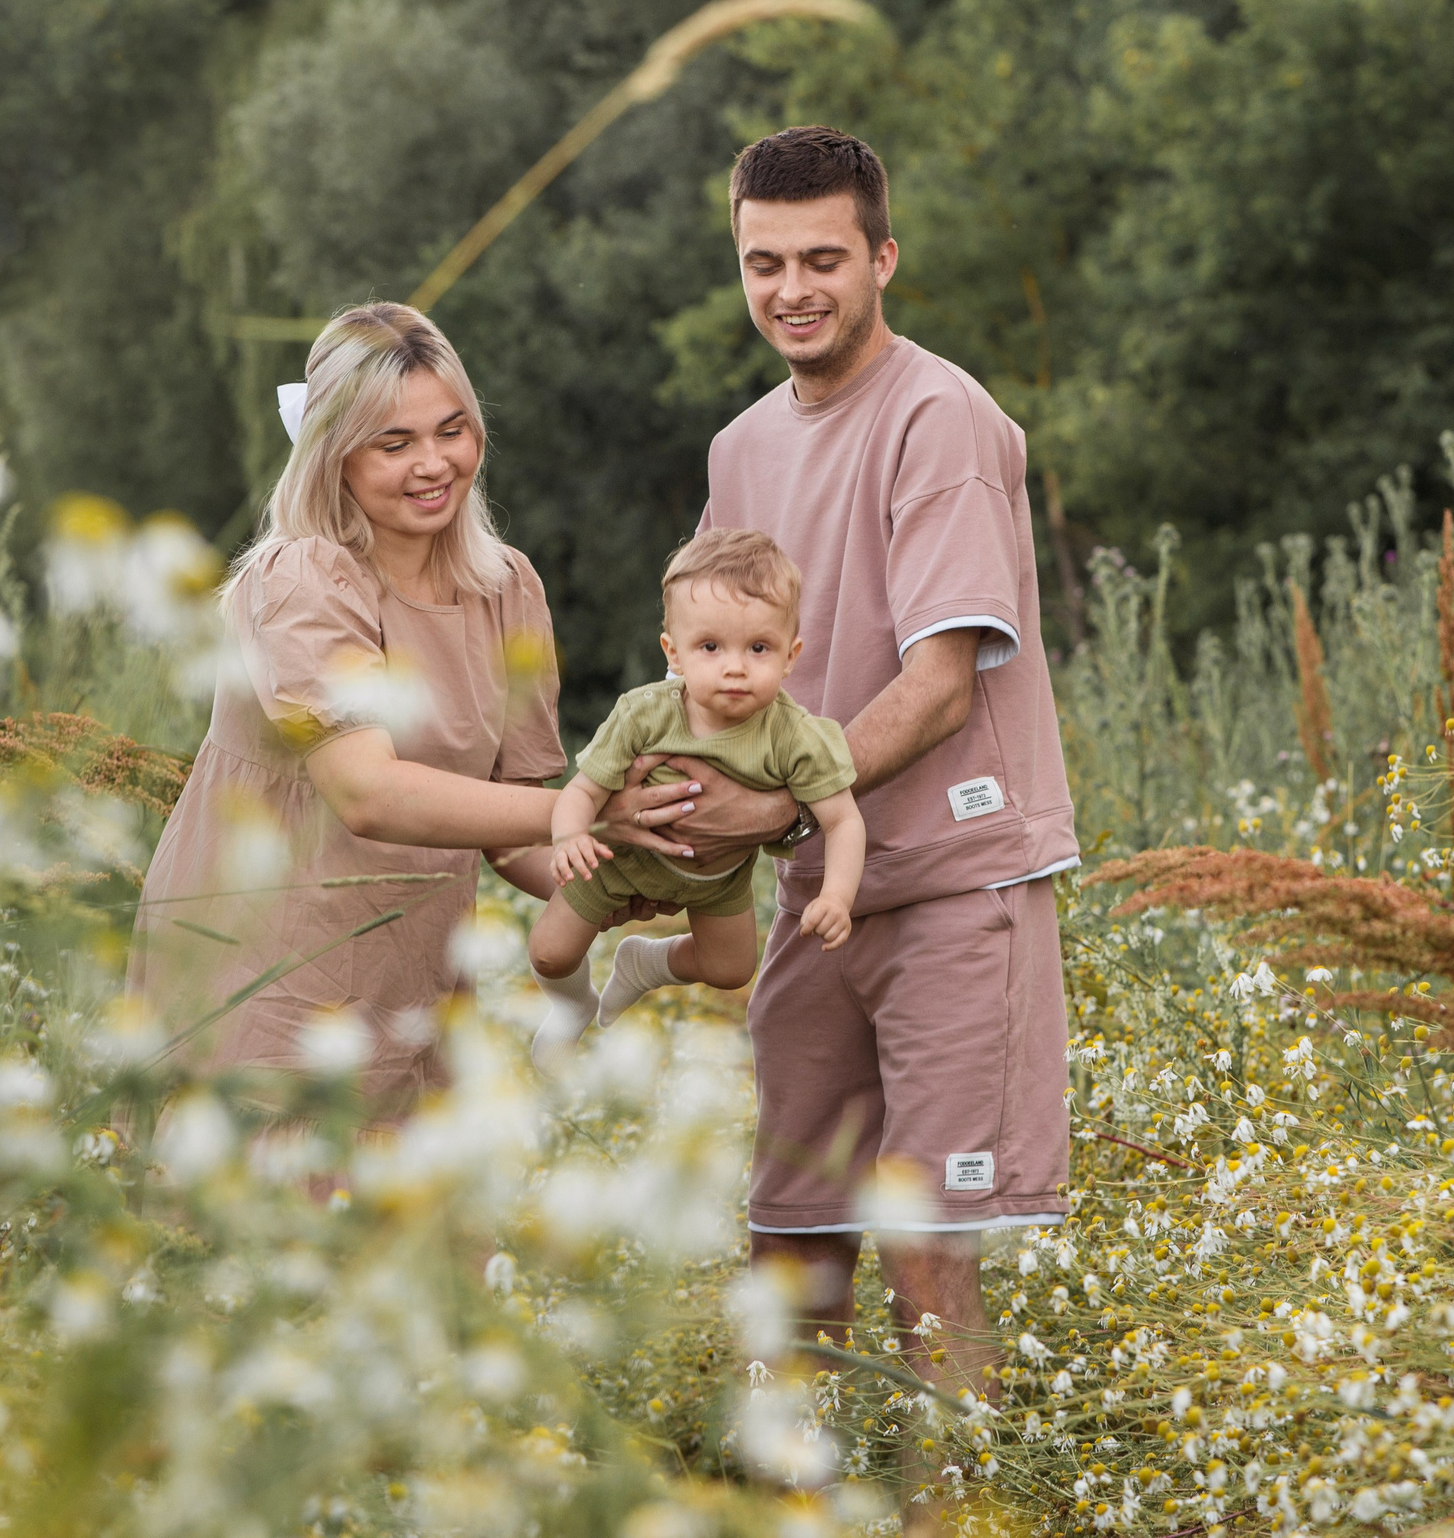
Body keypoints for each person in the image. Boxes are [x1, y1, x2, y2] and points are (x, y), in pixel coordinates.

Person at [597, 126, 1078, 1525]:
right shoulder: (740, 448)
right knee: (791, 1233)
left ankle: (953, 1514)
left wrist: (772, 801)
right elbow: (720, 674)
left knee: (926, 1246)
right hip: (817, 895)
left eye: (822, 258)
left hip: (951, 884)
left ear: (882, 258)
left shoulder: (942, 419)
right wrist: (660, 816)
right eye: (765, 262)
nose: (792, 289)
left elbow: (938, 684)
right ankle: (789, 1509)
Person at [128, 302, 693, 1111]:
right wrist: (593, 810)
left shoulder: (506, 588)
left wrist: (619, 873)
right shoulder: (303, 580)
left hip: (415, 981)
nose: (434, 464)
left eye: (452, 430)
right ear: (334, 454)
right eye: (394, 444)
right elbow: (368, 793)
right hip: (263, 973)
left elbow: (515, 832)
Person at [527, 529, 864, 1071]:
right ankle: (571, 1005)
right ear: (674, 653)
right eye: (711, 647)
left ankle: (645, 964)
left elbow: (843, 819)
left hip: (717, 879)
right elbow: (583, 790)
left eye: (758, 648)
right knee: (548, 952)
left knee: (731, 970)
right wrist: (569, 836)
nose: (735, 667)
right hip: (619, 862)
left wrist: (837, 896)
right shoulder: (644, 714)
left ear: (791, 655)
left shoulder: (794, 734)